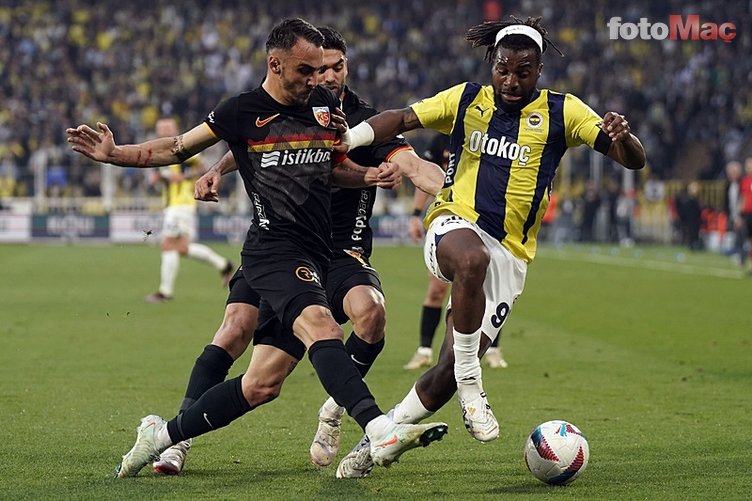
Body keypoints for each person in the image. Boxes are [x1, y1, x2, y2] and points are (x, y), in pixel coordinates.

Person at [67, 18, 448, 478]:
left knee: (262, 384)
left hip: (316, 253)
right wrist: (115, 154)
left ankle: (162, 435)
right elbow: (178, 147)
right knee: (313, 326)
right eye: (306, 71)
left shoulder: (325, 106)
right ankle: (380, 429)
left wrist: (367, 175)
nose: (317, 80)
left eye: (323, 70)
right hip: (273, 249)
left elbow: (329, 165)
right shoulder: (239, 111)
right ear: (275, 64)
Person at [334, 16, 645, 478]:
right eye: (502, 69)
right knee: (471, 258)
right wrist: (350, 138)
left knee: (441, 374)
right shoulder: (465, 99)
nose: (510, 81)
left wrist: (625, 138)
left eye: (523, 72)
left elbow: (632, 160)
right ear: (491, 65)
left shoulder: (564, 111)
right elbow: (400, 118)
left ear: (539, 71)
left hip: (511, 255)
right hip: (453, 224)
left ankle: (372, 446)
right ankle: (472, 381)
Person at [404, 134, 507, 370]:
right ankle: (424, 350)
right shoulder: (440, 139)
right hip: (448, 216)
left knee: (487, 286)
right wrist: (415, 214)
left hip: (484, 218)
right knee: (436, 289)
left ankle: (492, 349)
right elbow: (424, 175)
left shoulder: (489, 134)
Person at [143, 117, 234, 303]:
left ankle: (165, 292)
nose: (163, 131)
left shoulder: (182, 149)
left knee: (168, 245)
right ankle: (223, 265)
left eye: (167, 127)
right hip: (175, 205)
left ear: (174, 129)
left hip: (181, 205)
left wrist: (185, 177)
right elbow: (161, 178)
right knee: (181, 248)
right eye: (161, 128)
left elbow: (202, 167)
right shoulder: (164, 152)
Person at [723, 161, 743, 266]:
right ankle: (738, 254)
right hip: (732, 215)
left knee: (742, 236)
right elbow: (727, 202)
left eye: (731, 173)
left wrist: (740, 215)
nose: (729, 175)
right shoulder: (728, 185)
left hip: (742, 215)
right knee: (736, 235)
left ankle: (741, 257)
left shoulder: (742, 184)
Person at [740, 158, 752, 274]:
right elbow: (743, 198)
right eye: (747, 166)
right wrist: (741, 215)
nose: (748, 168)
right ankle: (750, 266)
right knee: (749, 241)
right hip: (748, 214)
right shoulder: (745, 181)